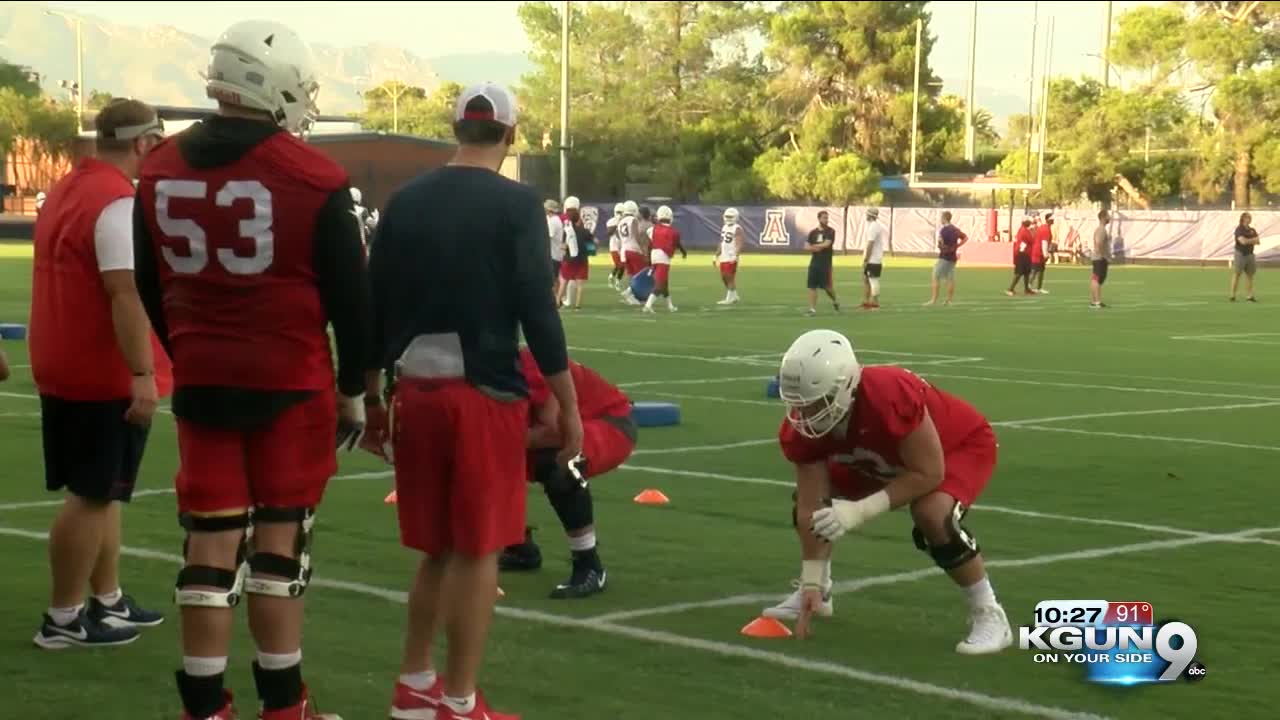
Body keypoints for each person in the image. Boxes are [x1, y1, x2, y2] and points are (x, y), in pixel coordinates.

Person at [134, 21, 367, 719]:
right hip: (289, 382)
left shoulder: (159, 167)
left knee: (208, 546)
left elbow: (151, 285)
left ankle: (204, 708)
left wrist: (189, 352)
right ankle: (284, 705)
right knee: (280, 545)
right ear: (278, 86)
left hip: (204, 377)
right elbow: (353, 301)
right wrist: (356, 389)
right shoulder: (313, 175)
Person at [368, 82, 582, 720]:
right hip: (482, 390)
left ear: (454, 126)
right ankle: (459, 700)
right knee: (478, 549)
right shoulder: (516, 203)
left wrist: (373, 391)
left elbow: (373, 301)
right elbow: (536, 307)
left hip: (415, 387)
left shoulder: (404, 200)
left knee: (437, 546)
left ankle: (415, 684)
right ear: (510, 134)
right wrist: (565, 400)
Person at [764, 329, 1012, 655]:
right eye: (800, 404)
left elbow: (927, 472)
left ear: (845, 386)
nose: (805, 415)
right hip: (880, 455)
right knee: (808, 504)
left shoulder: (888, 393)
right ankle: (819, 592)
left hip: (954, 447)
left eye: (816, 403)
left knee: (931, 515)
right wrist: (811, 580)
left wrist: (858, 510)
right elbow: (812, 505)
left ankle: (989, 613)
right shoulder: (803, 427)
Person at [28, 98, 171, 651]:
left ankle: (106, 601)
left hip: (63, 358)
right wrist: (141, 371)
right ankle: (62, 618)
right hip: (99, 367)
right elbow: (123, 292)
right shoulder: (115, 201)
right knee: (90, 494)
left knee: (105, 491)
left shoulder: (69, 187)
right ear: (142, 143)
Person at [499, 349, 637, 598]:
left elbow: (554, 431)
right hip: (559, 428)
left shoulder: (530, 363)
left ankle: (589, 565)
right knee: (480, 460)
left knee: (557, 462)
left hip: (607, 423)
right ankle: (518, 545)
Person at [644, 204, 686, 313]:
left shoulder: (653, 229)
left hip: (654, 255)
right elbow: (678, 244)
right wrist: (683, 252)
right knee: (659, 285)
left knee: (664, 284)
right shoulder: (674, 232)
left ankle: (670, 306)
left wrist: (649, 259)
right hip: (663, 257)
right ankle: (648, 305)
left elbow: (649, 244)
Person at [926, 211, 967, 306]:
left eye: (941, 218)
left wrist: (941, 246)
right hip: (953, 257)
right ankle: (948, 300)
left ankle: (934, 300)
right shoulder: (956, 229)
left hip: (944, 257)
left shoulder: (944, 230)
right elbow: (965, 238)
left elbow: (941, 243)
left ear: (944, 218)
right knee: (950, 279)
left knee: (935, 276)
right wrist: (957, 245)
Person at [559, 196, 592, 310]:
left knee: (563, 280)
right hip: (581, 257)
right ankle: (575, 304)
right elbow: (589, 242)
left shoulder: (561, 219)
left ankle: (558, 301)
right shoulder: (581, 225)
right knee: (578, 283)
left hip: (566, 256)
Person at [805, 210, 840, 316]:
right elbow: (806, 246)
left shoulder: (830, 231)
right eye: (824, 218)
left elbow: (827, 244)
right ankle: (812, 309)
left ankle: (835, 300)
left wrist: (814, 247)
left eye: (827, 218)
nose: (826, 220)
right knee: (812, 286)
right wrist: (816, 247)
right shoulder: (812, 233)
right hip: (814, 263)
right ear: (819, 218)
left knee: (827, 287)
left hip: (825, 264)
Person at [716, 207, 745, 305]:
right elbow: (722, 241)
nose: (728, 218)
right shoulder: (724, 227)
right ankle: (734, 295)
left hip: (731, 256)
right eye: (727, 216)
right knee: (724, 277)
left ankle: (729, 298)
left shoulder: (737, 228)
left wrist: (736, 254)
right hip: (724, 256)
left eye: (730, 216)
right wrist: (717, 254)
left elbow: (739, 242)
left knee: (729, 276)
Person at [1230, 212, 1259, 303]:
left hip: (1250, 254)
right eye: (1248, 217)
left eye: (1250, 217)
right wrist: (1251, 240)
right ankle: (1233, 295)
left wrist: (1248, 240)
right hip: (1240, 254)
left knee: (1250, 275)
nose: (1250, 219)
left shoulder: (1252, 230)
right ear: (1243, 219)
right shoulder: (1239, 229)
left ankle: (1249, 296)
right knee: (1237, 274)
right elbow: (1242, 241)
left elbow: (1258, 241)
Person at [860, 208, 884, 309]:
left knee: (873, 280)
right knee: (866, 279)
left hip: (873, 259)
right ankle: (866, 302)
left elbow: (870, 244)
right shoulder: (873, 226)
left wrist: (866, 259)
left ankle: (875, 302)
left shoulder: (873, 227)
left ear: (869, 215)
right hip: (874, 258)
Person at [1006, 217, 1034, 296]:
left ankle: (1026, 289)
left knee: (1026, 273)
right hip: (1022, 254)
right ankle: (1011, 288)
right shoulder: (1024, 231)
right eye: (1028, 222)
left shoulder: (1023, 230)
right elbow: (1031, 240)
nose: (1030, 223)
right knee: (1019, 273)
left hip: (1024, 254)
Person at [1090, 209, 1112, 309]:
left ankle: (1095, 301)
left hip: (1099, 258)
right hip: (1099, 258)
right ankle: (1096, 301)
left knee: (1098, 279)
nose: (1109, 218)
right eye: (1108, 216)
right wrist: (1104, 256)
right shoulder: (1101, 230)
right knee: (1097, 279)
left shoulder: (1102, 229)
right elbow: (1098, 244)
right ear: (1103, 217)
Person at [545, 199, 566, 298]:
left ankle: (554, 298)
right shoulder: (552, 219)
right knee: (554, 278)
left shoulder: (553, 221)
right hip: (554, 253)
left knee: (552, 279)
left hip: (553, 254)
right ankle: (557, 298)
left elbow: (548, 236)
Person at [1030, 212, 1053, 294]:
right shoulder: (1045, 229)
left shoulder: (1044, 227)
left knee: (1041, 271)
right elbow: (1044, 242)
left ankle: (1039, 287)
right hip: (1038, 253)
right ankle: (1028, 286)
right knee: (1035, 270)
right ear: (1048, 220)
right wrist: (1045, 254)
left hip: (1039, 252)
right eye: (1052, 218)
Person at [606, 202, 625, 290]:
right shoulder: (611, 221)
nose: (619, 214)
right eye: (618, 212)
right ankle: (613, 278)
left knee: (622, 265)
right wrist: (617, 223)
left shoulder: (626, 220)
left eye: (620, 212)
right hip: (614, 246)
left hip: (623, 246)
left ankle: (616, 280)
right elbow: (609, 233)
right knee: (619, 265)